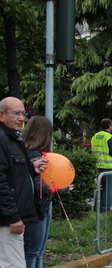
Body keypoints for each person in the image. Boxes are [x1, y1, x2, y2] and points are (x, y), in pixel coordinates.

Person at [0, 97, 48, 266]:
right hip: (8, 222)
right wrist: (13, 217)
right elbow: (1, 184)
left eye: (23, 113)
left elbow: (13, 173)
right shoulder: (3, 139)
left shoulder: (13, 138)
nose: (21, 118)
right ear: (1, 115)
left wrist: (31, 168)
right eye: (16, 113)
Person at [22, 115, 74, 268]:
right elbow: (41, 186)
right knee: (33, 253)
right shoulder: (35, 156)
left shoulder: (30, 153)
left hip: (40, 208)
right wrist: (63, 189)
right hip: (35, 210)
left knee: (37, 252)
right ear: (45, 134)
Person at [91, 118, 112, 213]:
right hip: (109, 167)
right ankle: (106, 208)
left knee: (99, 188)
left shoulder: (95, 136)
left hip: (98, 166)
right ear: (110, 126)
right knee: (108, 189)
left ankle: (96, 207)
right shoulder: (109, 137)